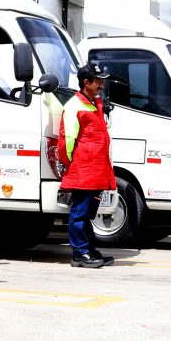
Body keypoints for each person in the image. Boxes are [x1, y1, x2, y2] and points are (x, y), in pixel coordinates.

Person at [59, 62, 116, 268]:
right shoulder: (75, 106)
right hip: (84, 170)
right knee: (80, 213)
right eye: (98, 80)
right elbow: (66, 141)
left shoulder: (95, 103)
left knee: (88, 213)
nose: (101, 84)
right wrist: (70, 165)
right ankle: (80, 253)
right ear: (86, 82)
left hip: (95, 170)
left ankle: (89, 249)